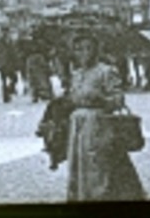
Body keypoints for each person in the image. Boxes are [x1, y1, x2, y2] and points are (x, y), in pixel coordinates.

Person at [62, 32, 145, 202]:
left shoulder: (106, 71)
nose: (84, 53)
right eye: (79, 50)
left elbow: (118, 99)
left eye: (88, 49)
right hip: (78, 127)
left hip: (98, 125)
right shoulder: (76, 74)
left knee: (98, 166)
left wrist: (102, 99)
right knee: (79, 165)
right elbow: (71, 98)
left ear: (96, 51)